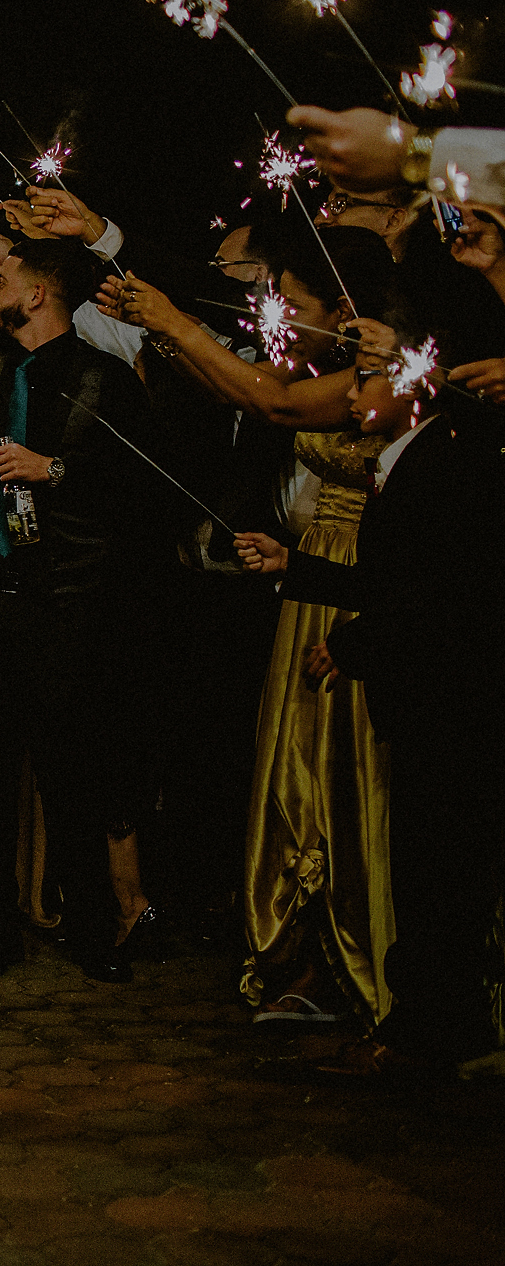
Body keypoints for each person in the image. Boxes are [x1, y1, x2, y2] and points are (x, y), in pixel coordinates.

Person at [101, 238, 400, 1022]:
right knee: (295, 767)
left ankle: (357, 951)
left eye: (293, 302)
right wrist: (165, 334)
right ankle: (306, 948)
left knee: (345, 771)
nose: (277, 314)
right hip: (310, 572)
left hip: (362, 573)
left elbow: (267, 403)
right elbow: (244, 394)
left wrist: (169, 314)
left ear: (346, 312)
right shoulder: (318, 370)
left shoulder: (386, 380)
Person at [235, 351, 505, 1077]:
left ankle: (430, 1034)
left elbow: (436, 589)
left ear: (414, 380)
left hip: (448, 695)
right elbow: (389, 579)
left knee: (438, 871)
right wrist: (295, 567)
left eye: (367, 378)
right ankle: (430, 1026)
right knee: (426, 863)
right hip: (425, 689)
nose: (351, 395)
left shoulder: (440, 463)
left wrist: (353, 643)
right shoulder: (412, 456)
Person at [0, 237, 162, 983]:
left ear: (38, 294)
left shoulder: (104, 377)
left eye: (8, 275)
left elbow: (141, 485)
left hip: (60, 603)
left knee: (71, 773)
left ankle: (93, 928)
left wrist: (52, 468)